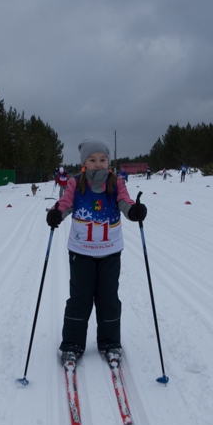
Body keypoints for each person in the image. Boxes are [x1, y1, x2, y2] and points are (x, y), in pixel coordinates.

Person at [45, 139, 147, 366]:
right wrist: (56, 214)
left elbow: (125, 203)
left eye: (103, 160)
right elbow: (65, 204)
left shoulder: (117, 183)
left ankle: (110, 343)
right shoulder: (75, 183)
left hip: (110, 252)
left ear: (108, 163)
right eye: (92, 160)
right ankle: (72, 344)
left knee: (108, 298)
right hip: (80, 252)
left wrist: (135, 211)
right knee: (80, 299)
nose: (98, 164)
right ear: (84, 163)